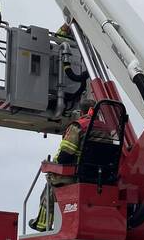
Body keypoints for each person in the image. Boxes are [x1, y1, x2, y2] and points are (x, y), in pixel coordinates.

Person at [29, 98, 95, 232]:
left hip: (76, 176)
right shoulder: (107, 129)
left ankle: (42, 224)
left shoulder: (78, 126)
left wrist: (51, 166)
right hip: (98, 177)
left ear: (80, 111)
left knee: (51, 181)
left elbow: (66, 155)